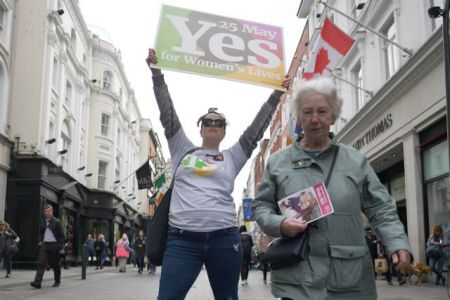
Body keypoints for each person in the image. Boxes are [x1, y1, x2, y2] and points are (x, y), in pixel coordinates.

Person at [146, 48, 290, 300]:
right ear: (200, 128)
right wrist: (157, 73)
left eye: (219, 123)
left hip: (224, 242)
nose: (213, 125)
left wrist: (277, 93)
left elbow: (256, 130)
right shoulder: (182, 149)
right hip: (182, 242)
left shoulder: (233, 156)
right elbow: (167, 112)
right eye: (208, 122)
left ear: (224, 131)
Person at [252, 77, 412, 299]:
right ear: (299, 117)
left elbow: (380, 207)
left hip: (348, 278)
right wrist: (280, 224)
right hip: (297, 279)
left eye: (322, 111)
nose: (315, 119)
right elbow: (261, 205)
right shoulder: (279, 162)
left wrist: (396, 243)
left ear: (333, 116)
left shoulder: (355, 161)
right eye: (307, 112)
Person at [30, 204, 65, 289]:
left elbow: (62, 236)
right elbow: (41, 232)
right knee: (40, 263)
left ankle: (57, 281)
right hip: (45, 245)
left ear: (52, 211)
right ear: (44, 212)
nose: (47, 213)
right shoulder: (42, 221)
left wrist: (58, 246)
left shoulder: (57, 222)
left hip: (54, 245)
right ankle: (37, 283)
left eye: (49, 211)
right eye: (46, 211)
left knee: (55, 264)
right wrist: (40, 241)